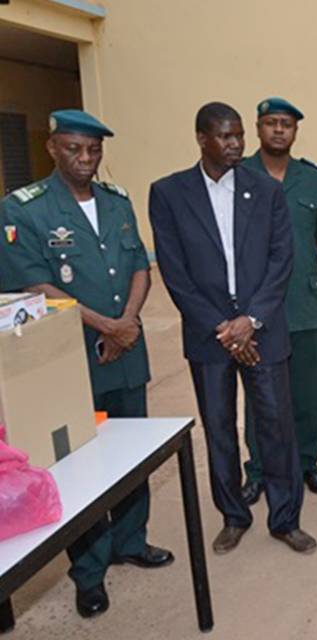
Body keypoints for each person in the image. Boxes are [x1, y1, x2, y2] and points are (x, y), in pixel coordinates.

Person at [0, 109, 173, 618]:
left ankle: (131, 540)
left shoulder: (117, 201)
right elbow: (35, 285)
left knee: (133, 452)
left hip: (126, 350)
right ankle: (90, 572)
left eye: (93, 150)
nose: (85, 158)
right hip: (68, 361)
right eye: (74, 148)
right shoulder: (23, 209)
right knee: (80, 464)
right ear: (52, 147)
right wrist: (107, 327)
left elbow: (140, 265)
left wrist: (127, 322)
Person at [148, 102, 315, 555]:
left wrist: (251, 320)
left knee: (276, 427)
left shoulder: (266, 190)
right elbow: (175, 271)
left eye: (239, 135)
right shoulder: (168, 193)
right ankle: (234, 517)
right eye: (225, 136)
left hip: (263, 330)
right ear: (202, 139)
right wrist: (223, 328)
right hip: (210, 337)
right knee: (219, 430)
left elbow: (282, 258)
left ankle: (285, 519)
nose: (236, 143)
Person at [239, 97, 317, 504]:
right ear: (258, 128)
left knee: (306, 394)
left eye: (286, 124)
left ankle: (306, 464)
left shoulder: (313, 180)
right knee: (259, 395)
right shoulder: (237, 175)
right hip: (255, 309)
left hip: (304, 304)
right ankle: (259, 470)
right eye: (271, 122)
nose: (278, 130)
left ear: (295, 131)